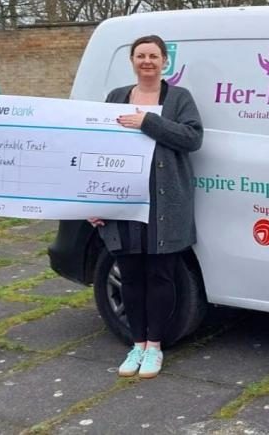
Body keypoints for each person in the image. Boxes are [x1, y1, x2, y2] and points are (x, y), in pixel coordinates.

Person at [87, 34, 203, 379]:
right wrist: (94, 199)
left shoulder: (179, 98)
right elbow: (97, 146)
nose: (147, 61)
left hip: (164, 204)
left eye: (153, 56)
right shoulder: (116, 97)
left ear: (165, 61)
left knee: (160, 276)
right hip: (123, 203)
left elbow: (192, 138)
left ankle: (154, 347)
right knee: (131, 276)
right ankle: (136, 344)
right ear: (132, 61)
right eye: (141, 56)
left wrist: (148, 122)